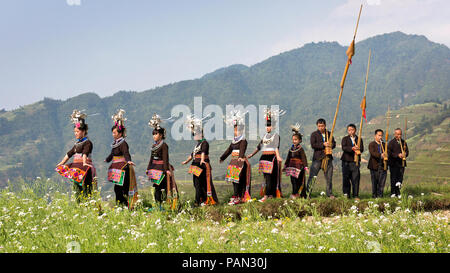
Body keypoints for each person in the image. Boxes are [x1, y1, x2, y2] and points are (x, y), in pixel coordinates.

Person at [56, 110, 97, 203]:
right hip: (76, 168)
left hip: (85, 168)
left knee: (87, 189)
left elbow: (85, 153)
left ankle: (89, 206)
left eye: (77, 131)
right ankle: (80, 206)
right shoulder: (77, 144)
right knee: (77, 189)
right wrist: (61, 163)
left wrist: (84, 163)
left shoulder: (88, 142)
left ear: (83, 132)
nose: (75, 133)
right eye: (74, 132)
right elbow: (69, 154)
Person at [247, 108, 285, 202]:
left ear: (274, 127)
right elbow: (259, 147)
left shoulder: (276, 136)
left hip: (272, 158)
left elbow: (276, 147)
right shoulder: (264, 136)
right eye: (267, 126)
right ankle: (269, 195)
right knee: (266, 178)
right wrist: (252, 154)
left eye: (270, 126)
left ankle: (268, 195)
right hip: (264, 159)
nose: (268, 128)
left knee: (270, 178)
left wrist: (278, 156)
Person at [182, 114, 218, 206]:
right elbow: (192, 154)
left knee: (202, 184)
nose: (194, 136)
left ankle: (201, 200)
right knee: (196, 184)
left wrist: (202, 160)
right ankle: (200, 199)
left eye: (195, 134)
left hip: (201, 166)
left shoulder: (204, 143)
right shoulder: (197, 145)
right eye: (193, 135)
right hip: (195, 166)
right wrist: (186, 161)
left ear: (201, 134)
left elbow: (203, 152)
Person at [105, 109, 138, 209]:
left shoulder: (123, 143)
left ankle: (126, 205)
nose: (113, 135)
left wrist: (128, 161)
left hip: (123, 167)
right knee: (117, 188)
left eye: (115, 133)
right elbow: (112, 153)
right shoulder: (115, 143)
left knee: (123, 188)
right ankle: (119, 205)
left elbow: (126, 153)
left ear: (120, 133)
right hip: (116, 167)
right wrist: (107, 159)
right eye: (113, 133)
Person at [146, 113, 179, 208]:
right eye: (153, 134)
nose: (154, 136)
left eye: (156, 134)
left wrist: (167, 170)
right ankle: (158, 205)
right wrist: (148, 168)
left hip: (162, 169)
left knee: (162, 187)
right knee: (156, 187)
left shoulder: (164, 145)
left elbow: (165, 158)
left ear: (161, 135)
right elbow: (151, 158)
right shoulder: (154, 146)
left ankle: (165, 205)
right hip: (155, 169)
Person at [219, 110, 251, 205]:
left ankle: (239, 196)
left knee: (238, 179)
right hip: (233, 162)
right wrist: (222, 157)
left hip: (240, 162)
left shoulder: (243, 140)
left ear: (241, 131)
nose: (236, 132)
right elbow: (229, 150)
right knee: (233, 179)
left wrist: (241, 157)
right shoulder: (234, 141)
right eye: (235, 130)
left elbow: (242, 149)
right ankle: (235, 195)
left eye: (237, 130)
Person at [306, 118, 336, 198]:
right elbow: (313, 145)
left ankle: (329, 194)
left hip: (328, 158)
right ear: (317, 126)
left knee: (329, 177)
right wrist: (323, 144)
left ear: (325, 125)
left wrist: (330, 145)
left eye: (322, 126)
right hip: (317, 158)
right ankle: (307, 194)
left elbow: (334, 144)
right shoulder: (314, 134)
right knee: (312, 177)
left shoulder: (329, 134)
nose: (321, 127)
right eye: (319, 126)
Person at [283, 123, 309, 198]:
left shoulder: (300, 149)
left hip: (299, 168)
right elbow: (288, 158)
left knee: (300, 181)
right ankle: (295, 193)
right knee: (293, 181)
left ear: (300, 140)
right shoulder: (291, 149)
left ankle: (303, 195)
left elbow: (304, 158)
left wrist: (306, 167)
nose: (294, 141)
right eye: (293, 139)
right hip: (292, 168)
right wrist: (285, 166)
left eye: (296, 139)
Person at [341, 123, 364, 199]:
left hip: (355, 161)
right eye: (349, 130)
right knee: (346, 179)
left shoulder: (359, 139)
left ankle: (355, 195)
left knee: (355, 179)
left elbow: (362, 149)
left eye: (352, 130)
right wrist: (352, 148)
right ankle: (346, 195)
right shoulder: (345, 139)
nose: (351, 131)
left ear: (355, 130)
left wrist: (358, 148)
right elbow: (344, 148)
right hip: (346, 161)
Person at [388, 128, 409, 197]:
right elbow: (389, 153)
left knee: (400, 178)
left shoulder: (404, 142)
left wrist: (405, 154)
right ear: (395, 134)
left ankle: (398, 192)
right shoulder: (391, 143)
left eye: (400, 134)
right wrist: (397, 155)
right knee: (393, 178)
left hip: (401, 164)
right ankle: (393, 193)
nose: (399, 136)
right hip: (393, 164)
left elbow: (407, 151)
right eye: (397, 134)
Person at [368, 129, 387, 198]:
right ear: (375, 136)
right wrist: (380, 155)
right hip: (374, 166)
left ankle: (380, 196)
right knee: (374, 182)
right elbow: (373, 153)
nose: (380, 137)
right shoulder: (371, 144)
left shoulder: (384, 145)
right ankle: (374, 196)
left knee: (382, 182)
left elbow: (388, 153)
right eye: (379, 135)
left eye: (381, 135)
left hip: (383, 166)